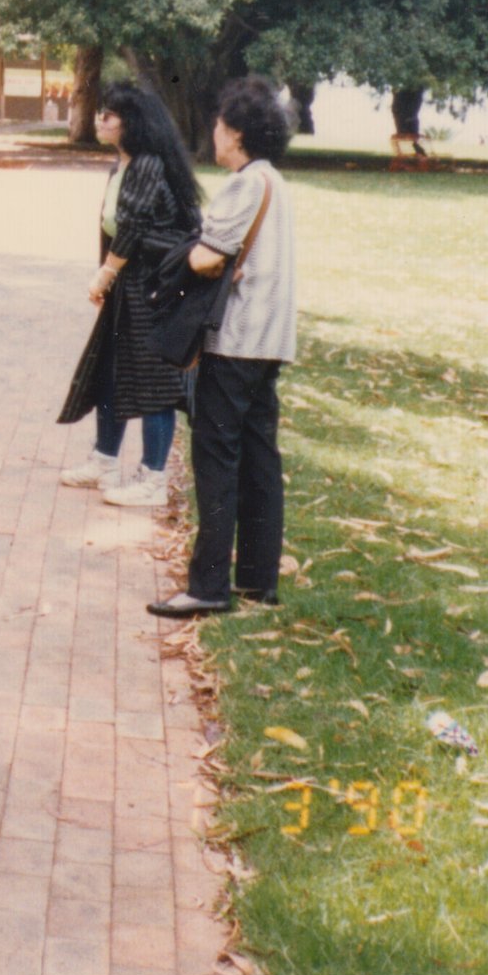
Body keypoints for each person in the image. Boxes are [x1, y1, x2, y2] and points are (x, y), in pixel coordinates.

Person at [149, 76, 298, 618]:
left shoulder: (243, 185)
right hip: (270, 341)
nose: (213, 132)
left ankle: (208, 585)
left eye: (218, 124)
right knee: (260, 459)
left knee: (216, 459)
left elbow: (208, 258)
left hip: (235, 340)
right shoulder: (274, 181)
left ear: (234, 133)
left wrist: (181, 257)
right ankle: (258, 580)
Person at [57, 82, 204, 507]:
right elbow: (112, 226)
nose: (101, 120)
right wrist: (107, 277)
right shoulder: (122, 164)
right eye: (101, 113)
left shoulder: (147, 165)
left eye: (109, 115)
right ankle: (104, 460)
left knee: (155, 379)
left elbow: (136, 226)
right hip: (130, 282)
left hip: (155, 286)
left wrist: (104, 275)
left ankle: (152, 479)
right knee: (111, 370)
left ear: (131, 123)